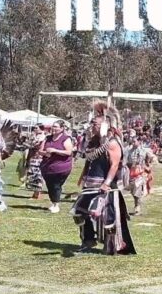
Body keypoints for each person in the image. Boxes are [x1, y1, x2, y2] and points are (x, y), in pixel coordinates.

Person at [71, 100, 136, 255]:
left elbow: (114, 165)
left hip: (106, 186)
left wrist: (106, 183)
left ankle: (111, 245)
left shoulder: (113, 143)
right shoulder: (93, 142)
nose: (91, 126)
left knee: (107, 217)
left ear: (105, 126)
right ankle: (88, 240)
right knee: (79, 211)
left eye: (95, 124)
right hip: (90, 184)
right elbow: (89, 158)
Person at [39, 120, 74, 213]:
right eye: (53, 126)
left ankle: (56, 205)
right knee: (50, 185)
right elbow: (40, 151)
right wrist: (45, 153)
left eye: (56, 126)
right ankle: (53, 202)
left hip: (62, 167)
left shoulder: (66, 139)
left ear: (62, 128)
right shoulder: (48, 138)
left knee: (56, 185)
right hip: (47, 167)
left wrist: (55, 150)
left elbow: (69, 152)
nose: (53, 128)